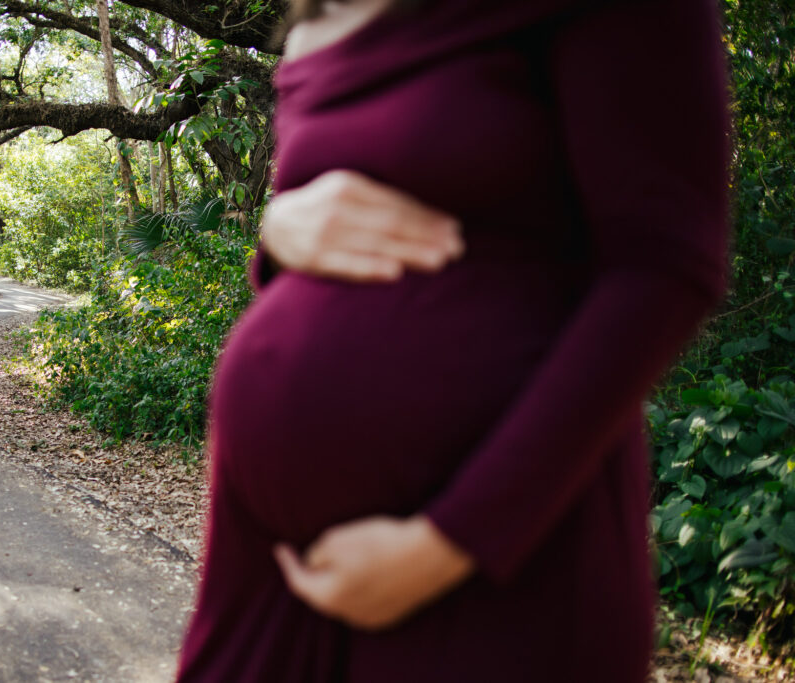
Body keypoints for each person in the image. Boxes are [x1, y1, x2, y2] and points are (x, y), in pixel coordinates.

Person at [177, 0, 730, 681]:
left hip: (495, 565)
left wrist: (450, 540)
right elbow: (330, 224)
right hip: (264, 560)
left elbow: (664, 266)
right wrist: (275, 234)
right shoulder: (324, 13)